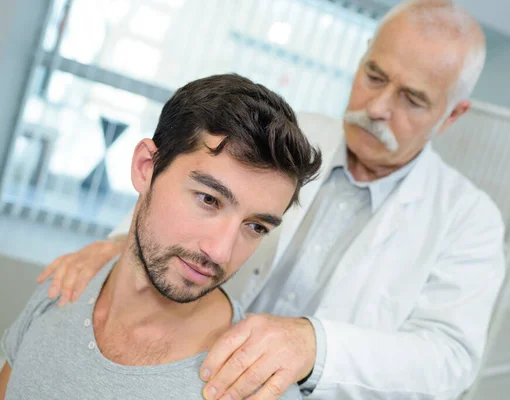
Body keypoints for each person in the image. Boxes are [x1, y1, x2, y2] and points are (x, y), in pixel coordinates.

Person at [31, 1, 507, 399]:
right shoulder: (293, 141)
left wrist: (314, 345)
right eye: (375, 76)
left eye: (412, 99)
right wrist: (116, 245)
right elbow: (186, 180)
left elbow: (451, 357)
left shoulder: (468, 219)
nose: (377, 107)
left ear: (452, 114)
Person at [0, 74, 322, 400]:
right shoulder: (66, 284)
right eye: (209, 199)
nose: (220, 253)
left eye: (256, 227)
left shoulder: (252, 388)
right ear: (145, 168)